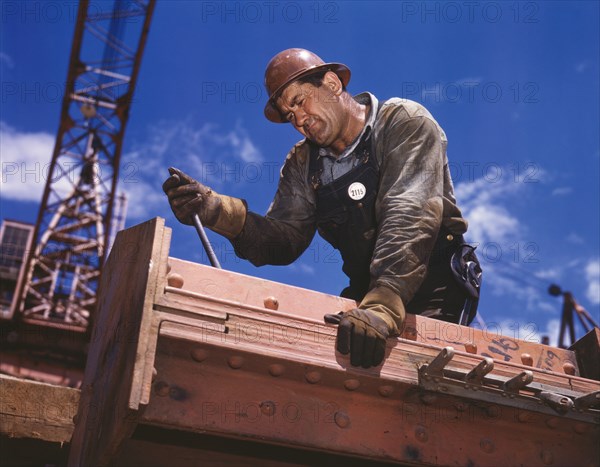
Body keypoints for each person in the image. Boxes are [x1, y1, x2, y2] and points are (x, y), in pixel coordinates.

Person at [163, 48, 481, 369]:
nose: (299, 120)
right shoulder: (303, 163)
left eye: (299, 101)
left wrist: (383, 305)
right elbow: (284, 238)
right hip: (366, 300)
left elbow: (409, 213)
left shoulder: (402, 122)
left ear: (331, 83)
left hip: (433, 293)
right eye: (289, 116)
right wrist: (215, 210)